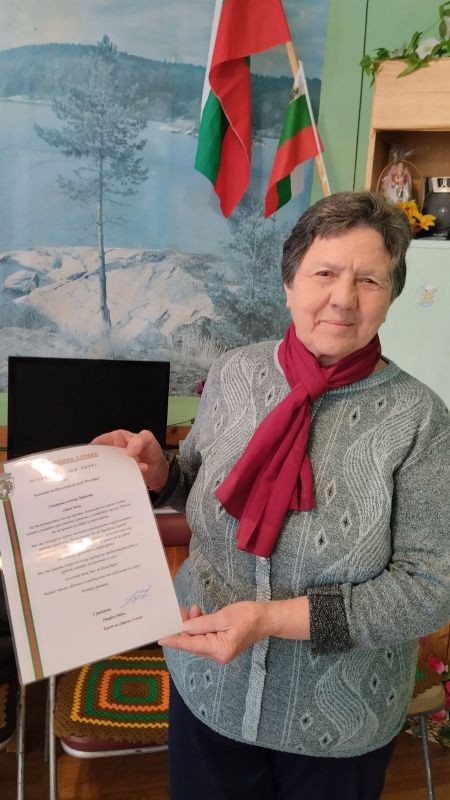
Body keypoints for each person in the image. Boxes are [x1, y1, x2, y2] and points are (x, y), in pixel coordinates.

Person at [93, 191, 450, 800]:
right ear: (289, 285)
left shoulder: (421, 420)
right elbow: (203, 487)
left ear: (390, 296)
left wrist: (271, 620)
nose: (344, 298)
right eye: (325, 273)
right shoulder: (234, 373)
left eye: (368, 279)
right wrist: (160, 476)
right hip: (208, 686)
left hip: (337, 720)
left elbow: (429, 590)